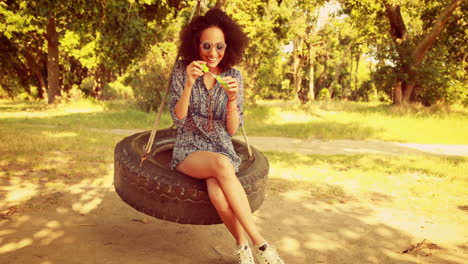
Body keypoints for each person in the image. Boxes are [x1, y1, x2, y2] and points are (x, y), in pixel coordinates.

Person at [168, 8, 286, 264]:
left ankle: (242, 246)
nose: (213, 53)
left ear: (227, 46)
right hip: (189, 149)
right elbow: (177, 119)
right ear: (196, 45)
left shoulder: (234, 77)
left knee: (219, 194)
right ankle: (261, 244)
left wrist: (232, 99)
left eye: (219, 46)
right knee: (221, 165)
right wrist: (188, 84)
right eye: (206, 46)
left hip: (221, 146)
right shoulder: (183, 70)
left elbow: (232, 130)